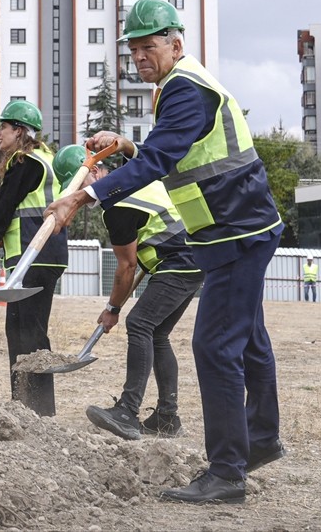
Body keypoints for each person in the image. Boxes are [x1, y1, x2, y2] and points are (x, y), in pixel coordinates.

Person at [43, 0, 285, 505]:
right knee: (250, 341)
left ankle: (226, 472)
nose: (139, 58)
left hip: (233, 233)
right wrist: (127, 148)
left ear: (176, 43)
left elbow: (161, 159)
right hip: (234, 230)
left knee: (215, 347)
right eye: (133, 51)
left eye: (148, 47)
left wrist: (83, 195)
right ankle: (260, 438)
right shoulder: (180, 86)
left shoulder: (184, 89)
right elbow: (174, 153)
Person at [52, 145, 204, 441]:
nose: (78, 198)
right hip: (193, 257)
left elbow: (126, 267)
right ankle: (166, 417)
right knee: (157, 333)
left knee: (140, 324)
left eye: (78, 184)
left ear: (95, 171)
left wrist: (113, 309)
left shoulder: (117, 204)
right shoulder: (133, 179)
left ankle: (127, 412)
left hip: (179, 261)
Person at [0, 100, 67, 416]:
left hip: (31, 253)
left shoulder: (24, 162)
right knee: (28, 328)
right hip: (48, 254)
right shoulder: (49, 160)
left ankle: (34, 409)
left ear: (19, 131)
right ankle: (30, 405)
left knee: (27, 332)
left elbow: (4, 208)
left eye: (3, 127)